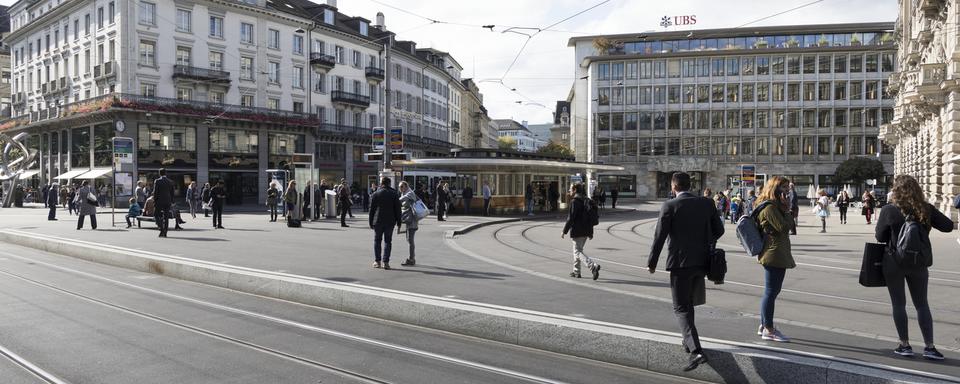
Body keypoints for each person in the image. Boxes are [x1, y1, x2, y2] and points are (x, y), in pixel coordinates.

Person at [648, 172, 723, 372]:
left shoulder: (669, 206)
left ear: (673, 187)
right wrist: (705, 241)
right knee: (689, 304)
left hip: (680, 264)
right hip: (702, 262)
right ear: (690, 186)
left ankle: (696, 350)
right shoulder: (707, 203)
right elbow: (719, 230)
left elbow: (659, 237)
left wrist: (652, 262)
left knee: (681, 307)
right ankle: (687, 341)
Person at [874, 175, 954, 360]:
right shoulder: (925, 209)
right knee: (922, 304)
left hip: (894, 261)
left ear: (896, 190)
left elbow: (880, 237)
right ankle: (930, 347)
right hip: (918, 262)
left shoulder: (889, 210)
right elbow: (948, 226)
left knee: (898, 304)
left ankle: (905, 345)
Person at [755, 176, 796, 343]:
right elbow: (785, 228)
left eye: (788, 188)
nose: (787, 191)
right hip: (774, 254)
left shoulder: (774, 206)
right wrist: (787, 209)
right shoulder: (770, 208)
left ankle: (764, 323)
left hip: (778, 252)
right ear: (775, 189)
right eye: (784, 188)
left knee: (772, 292)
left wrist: (785, 209)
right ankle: (769, 329)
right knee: (771, 292)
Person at [561, 183, 601, 280]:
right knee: (578, 250)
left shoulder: (575, 201)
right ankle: (576, 271)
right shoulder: (587, 200)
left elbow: (571, 218)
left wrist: (564, 231)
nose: (569, 191)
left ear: (574, 190)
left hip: (578, 230)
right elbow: (590, 218)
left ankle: (592, 266)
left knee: (578, 252)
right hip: (586, 230)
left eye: (570, 189)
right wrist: (591, 233)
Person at [369, 177, 401, 269]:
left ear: (381, 183)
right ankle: (386, 262)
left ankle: (377, 261)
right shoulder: (394, 193)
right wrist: (399, 222)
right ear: (389, 183)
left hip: (378, 220)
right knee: (388, 241)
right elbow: (398, 209)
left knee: (377, 240)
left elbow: (372, 209)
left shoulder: (376, 193)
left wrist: (370, 222)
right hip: (390, 221)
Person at [398, 181, 420, 266]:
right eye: (399, 187)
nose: (400, 189)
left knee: (410, 240)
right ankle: (411, 258)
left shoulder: (410, 193)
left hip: (412, 221)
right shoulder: (404, 193)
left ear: (406, 186)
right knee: (408, 239)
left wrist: (394, 199)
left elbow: (403, 199)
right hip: (406, 220)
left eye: (402, 187)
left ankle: (411, 259)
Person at [152, 169, 176, 238]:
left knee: (156, 215)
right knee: (166, 217)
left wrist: (155, 201)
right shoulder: (170, 181)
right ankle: (165, 232)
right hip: (168, 201)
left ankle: (161, 228)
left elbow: (156, 192)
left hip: (159, 201)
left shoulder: (157, 181)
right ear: (166, 173)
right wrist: (172, 201)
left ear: (159, 173)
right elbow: (172, 193)